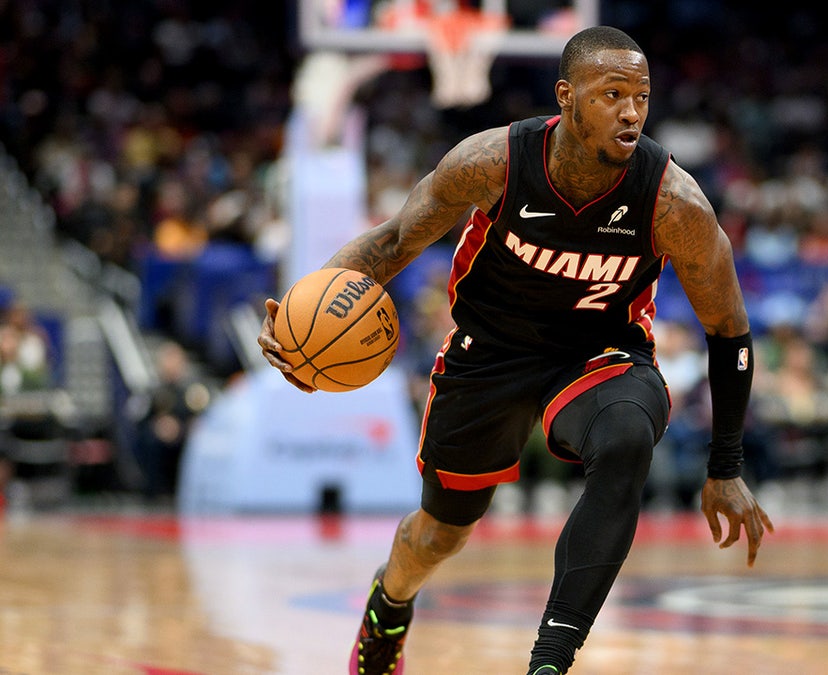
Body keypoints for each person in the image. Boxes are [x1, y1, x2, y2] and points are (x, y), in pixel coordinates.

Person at [258, 26, 773, 675]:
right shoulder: (492, 163)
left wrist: (725, 464)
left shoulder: (673, 204)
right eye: (612, 93)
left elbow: (729, 327)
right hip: (490, 350)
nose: (632, 111)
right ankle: (389, 607)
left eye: (641, 95)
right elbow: (390, 245)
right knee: (438, 534)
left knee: (626, 436)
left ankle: (550, 659)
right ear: (567, 97)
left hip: (599, 351)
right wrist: (304, 311)